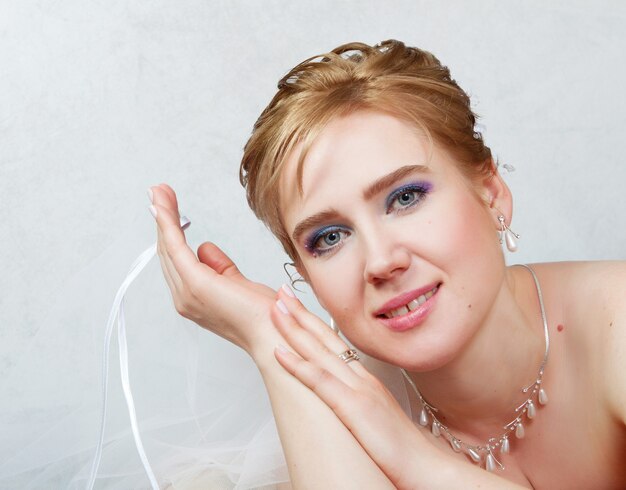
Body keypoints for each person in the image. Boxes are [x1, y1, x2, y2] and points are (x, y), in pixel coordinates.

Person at [148, 40, 626, 488]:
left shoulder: (615, 320)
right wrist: (268, 334)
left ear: (491, 191)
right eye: (329, 238)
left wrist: (413, 457)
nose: (380, 262)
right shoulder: (348, 400)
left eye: (405, 197)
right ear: (306, 275)